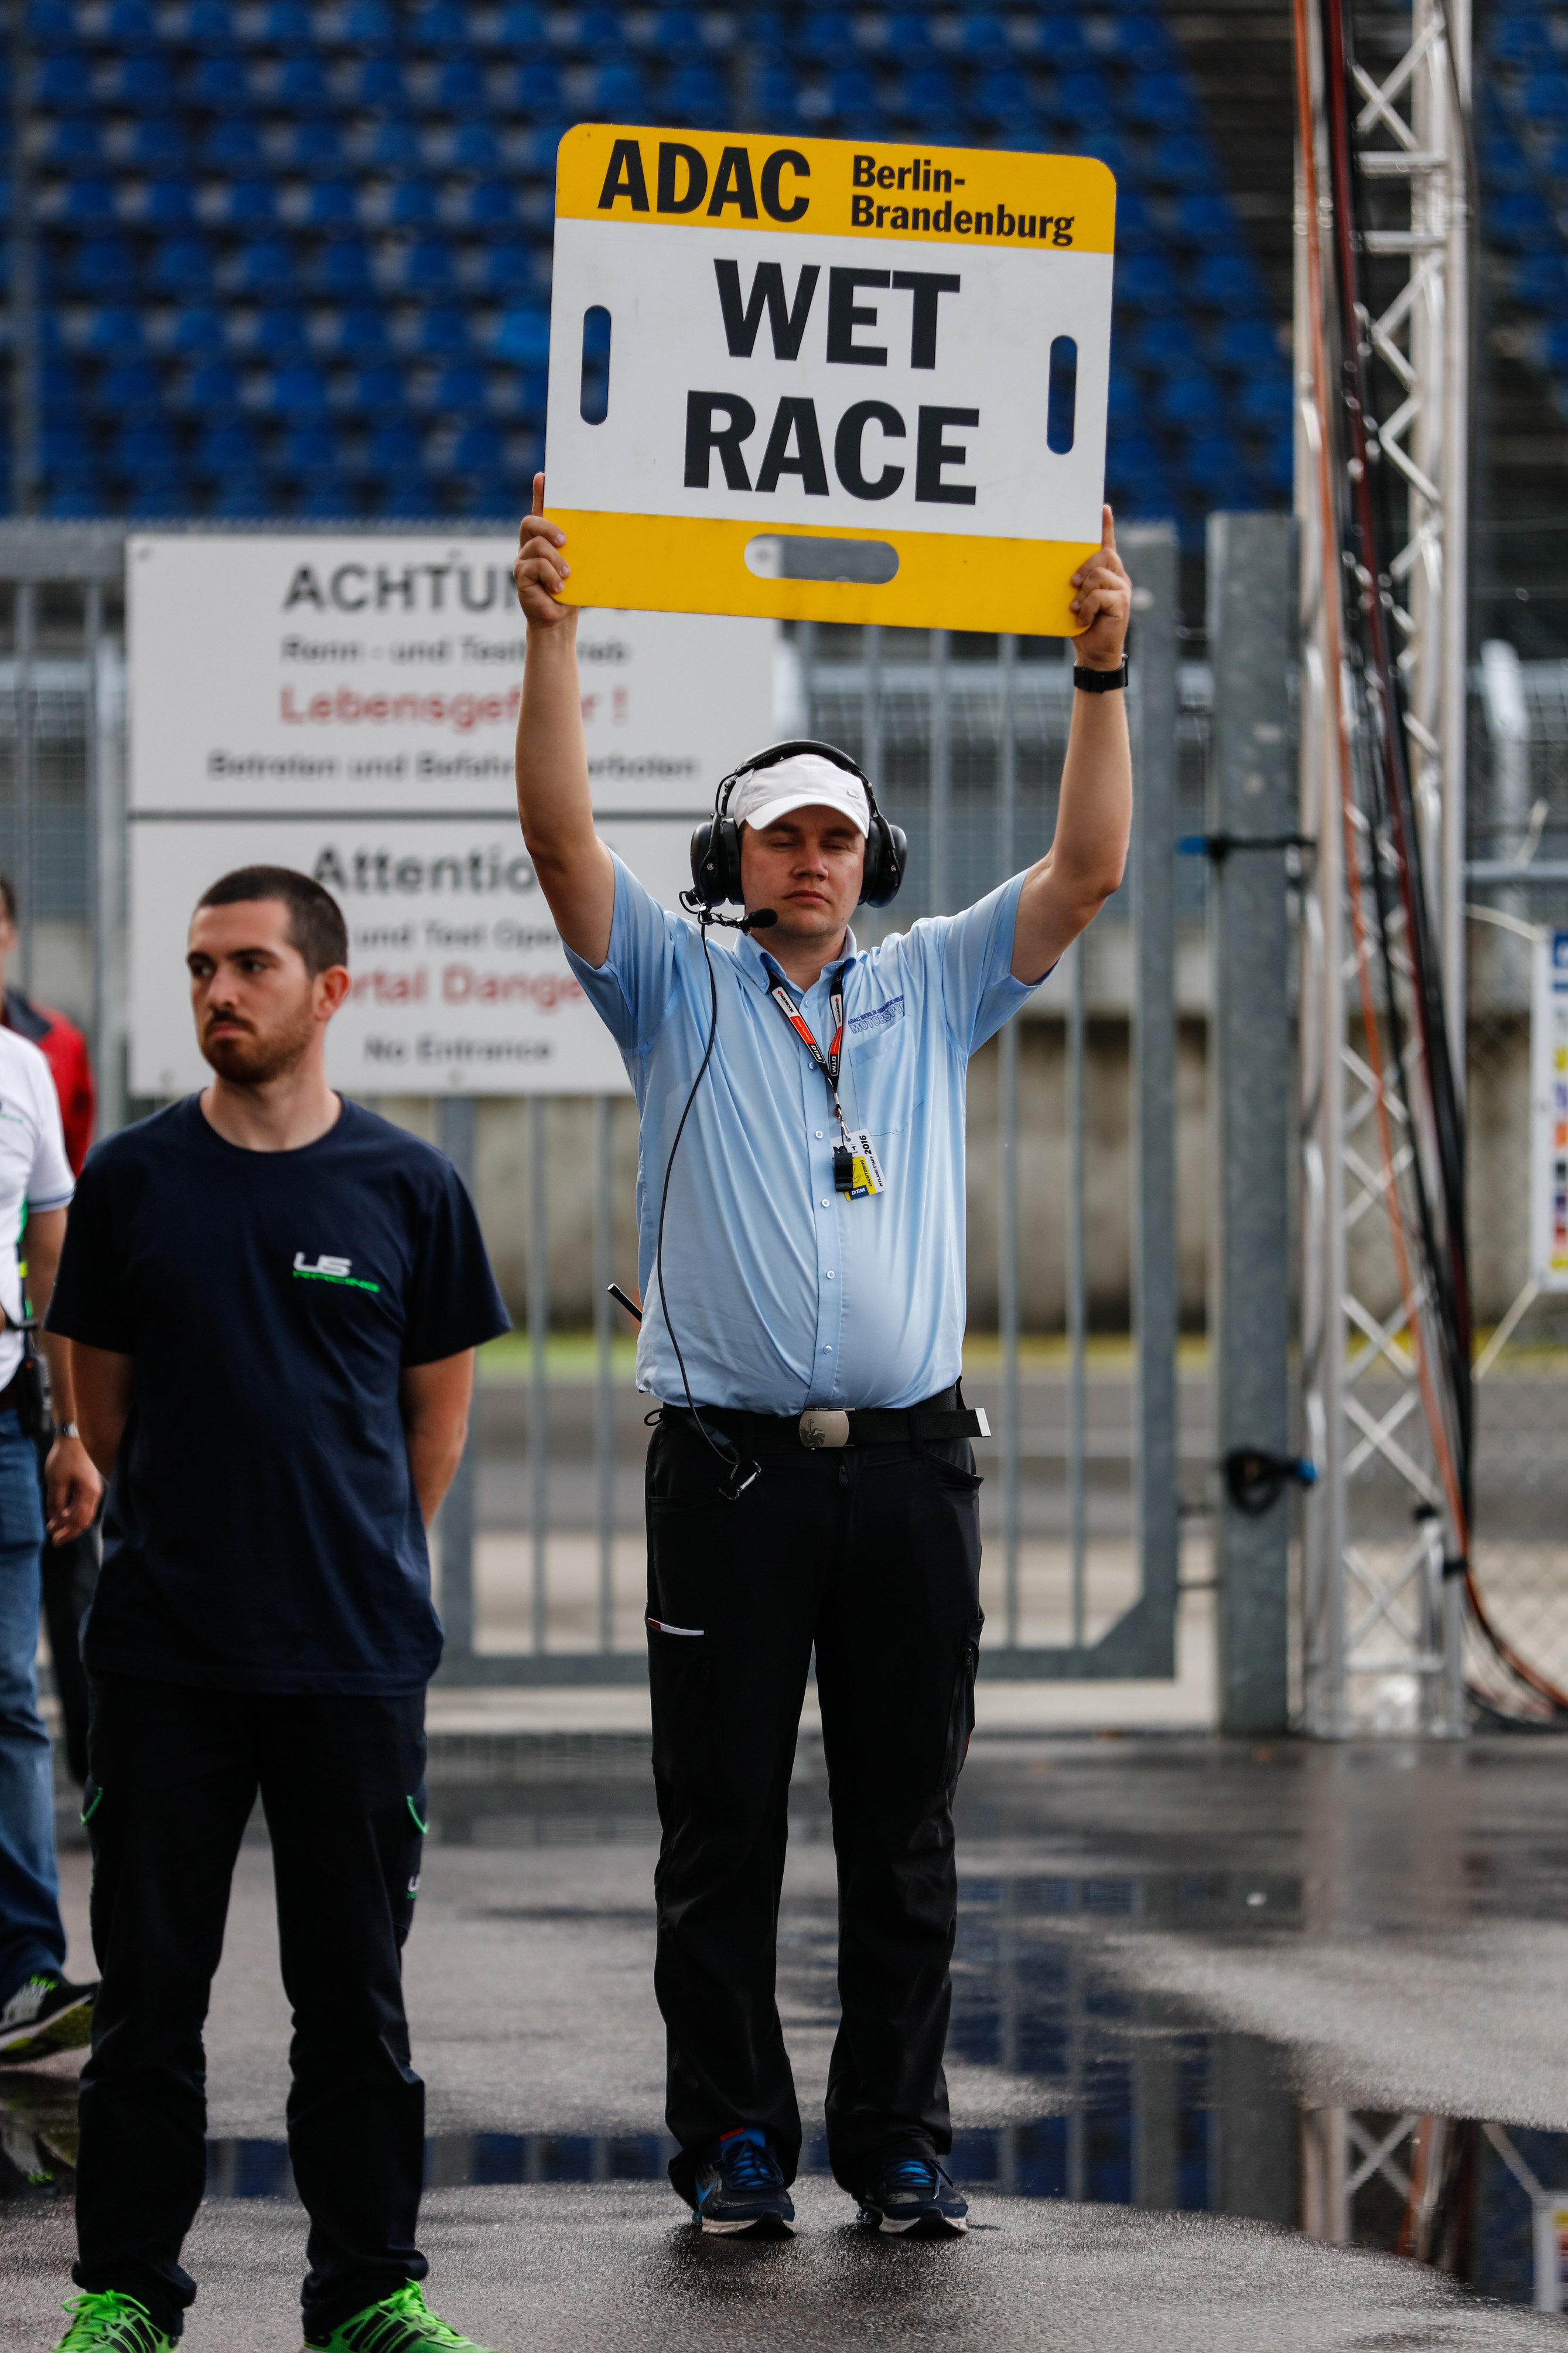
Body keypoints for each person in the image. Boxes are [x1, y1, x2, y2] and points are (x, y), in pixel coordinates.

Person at [512, 476, 1133, 2239]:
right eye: (780, 836)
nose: (809, 859)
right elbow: (559, 842)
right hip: (728, 1473)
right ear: (733, 860)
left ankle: (900, 2142)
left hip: (911, 1467)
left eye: (835, 839)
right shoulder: (673, 985)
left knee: (902, 1832)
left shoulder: (931, 980)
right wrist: (553, 637)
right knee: (720, 1828)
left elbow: (1085, 872)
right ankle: (731, 2141)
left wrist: (1097, 673)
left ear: (873, 862)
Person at [42, 867, 511, 2353]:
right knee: (148, 2006)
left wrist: (351, 1559)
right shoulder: (132, 1182)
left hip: (354, 1663)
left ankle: (366, 2293)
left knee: (355, 2005)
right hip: (166, 1657)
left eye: (249, 964)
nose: (218, 993)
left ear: (330, 989)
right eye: (200, 968)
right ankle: (128, 2293)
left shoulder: (409, 1186)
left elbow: (432, 1427)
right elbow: (104, 1414)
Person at [0, 1016, 103, 2071]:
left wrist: (68, 1429)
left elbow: (53, 1250)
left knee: (8, 1698)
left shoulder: (27, 1065)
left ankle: (26, 1971)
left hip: (6, 1420)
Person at [0, 872, 101, 1788]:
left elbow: (57, 1211)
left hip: (19, 1372)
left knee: (66, 1584)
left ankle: (94, 1770)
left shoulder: (47, 1048)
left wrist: (66, 1413)